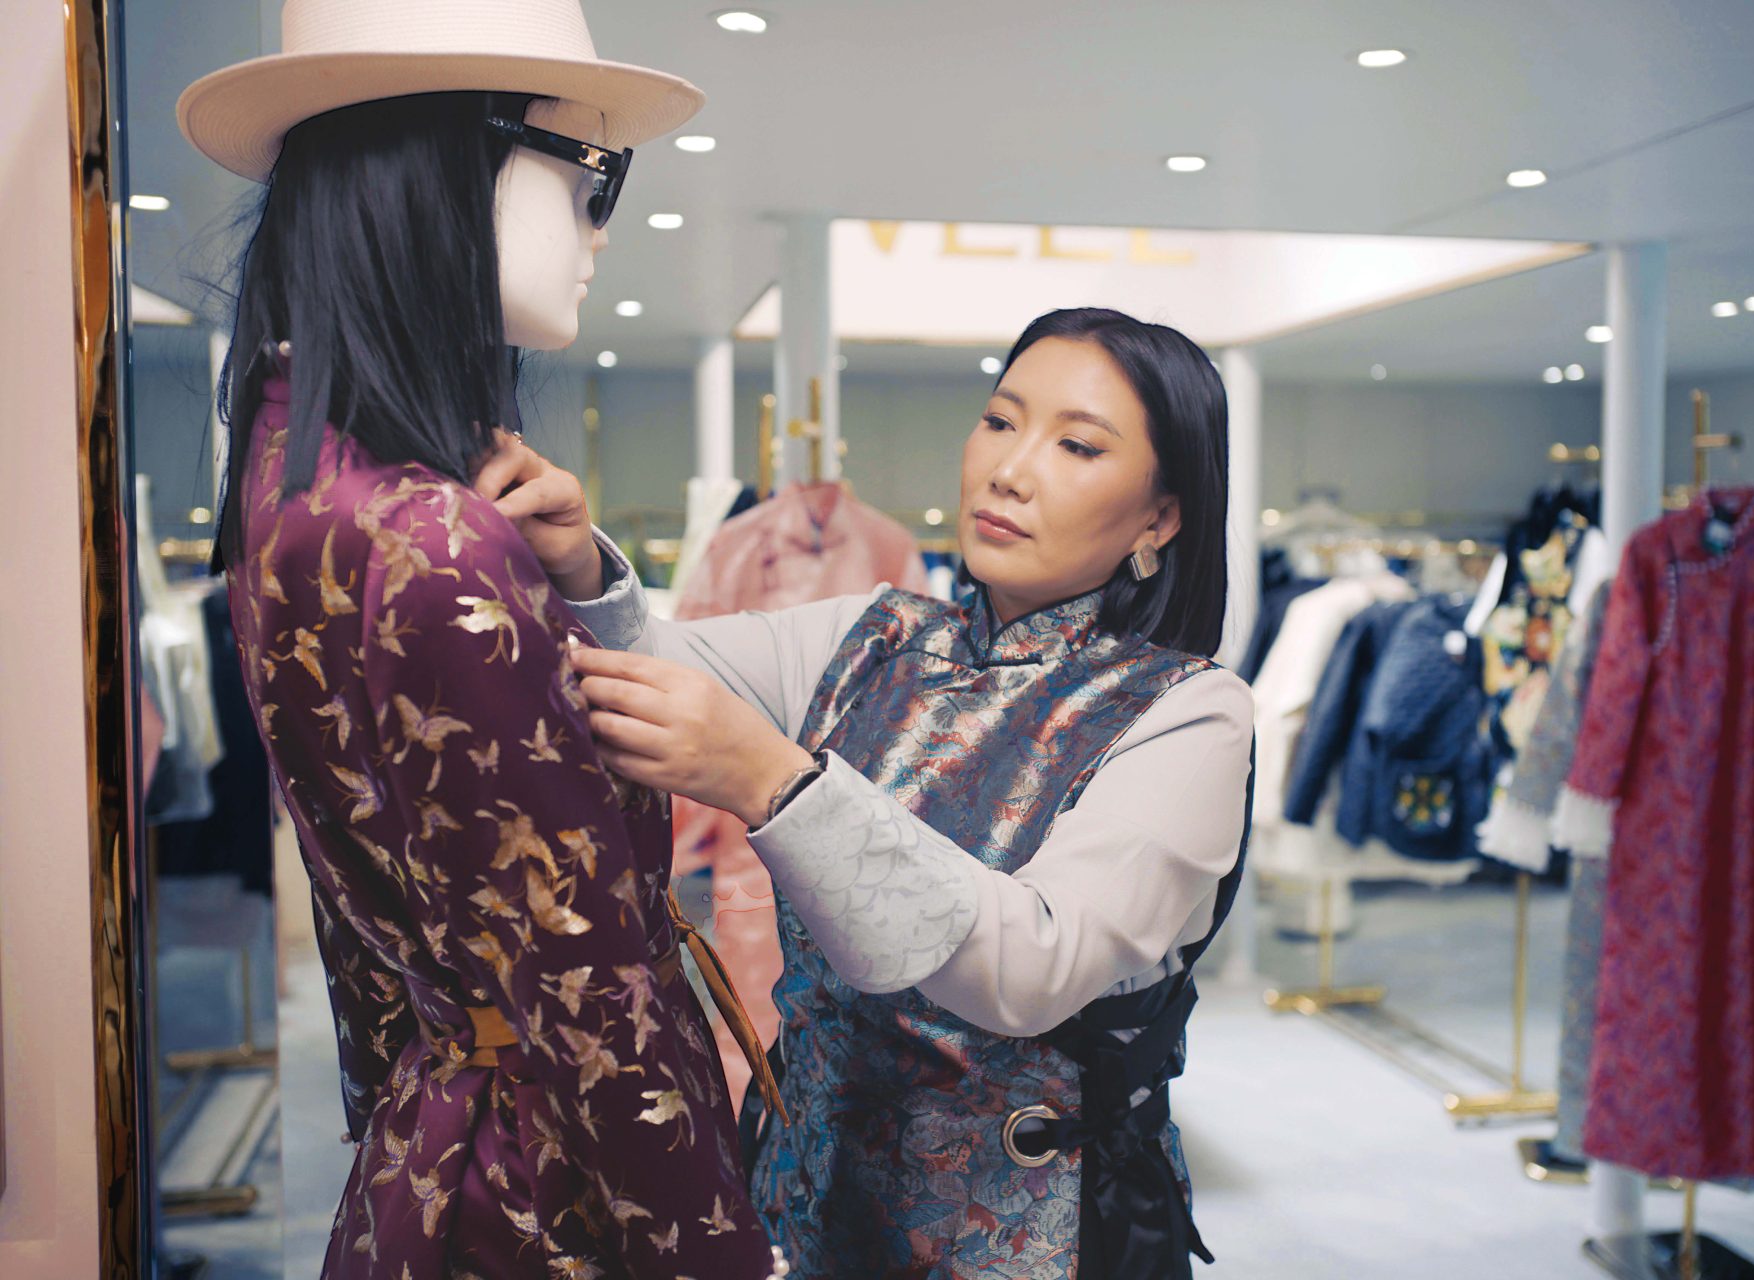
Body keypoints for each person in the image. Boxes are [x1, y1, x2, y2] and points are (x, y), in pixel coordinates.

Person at [177, 2, 787, 1276]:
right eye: (591, 177)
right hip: (545, 1192)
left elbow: (373, 941)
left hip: (445, 1142)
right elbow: (595, 990)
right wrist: (723, 1254)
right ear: (454, 166)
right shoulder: (435, 538)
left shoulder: (296, 487)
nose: (600, 232)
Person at [494, 307, 1253, 1280]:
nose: (1010, 468)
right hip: (805, 1203)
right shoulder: (877, 635)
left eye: (1075, 444)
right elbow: (657, 665)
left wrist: (769, 778)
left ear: (1161, 515)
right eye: (1000, 420)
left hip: (1038, 1235)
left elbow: (1033, 964)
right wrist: (581, 567)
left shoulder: (1188, 713)